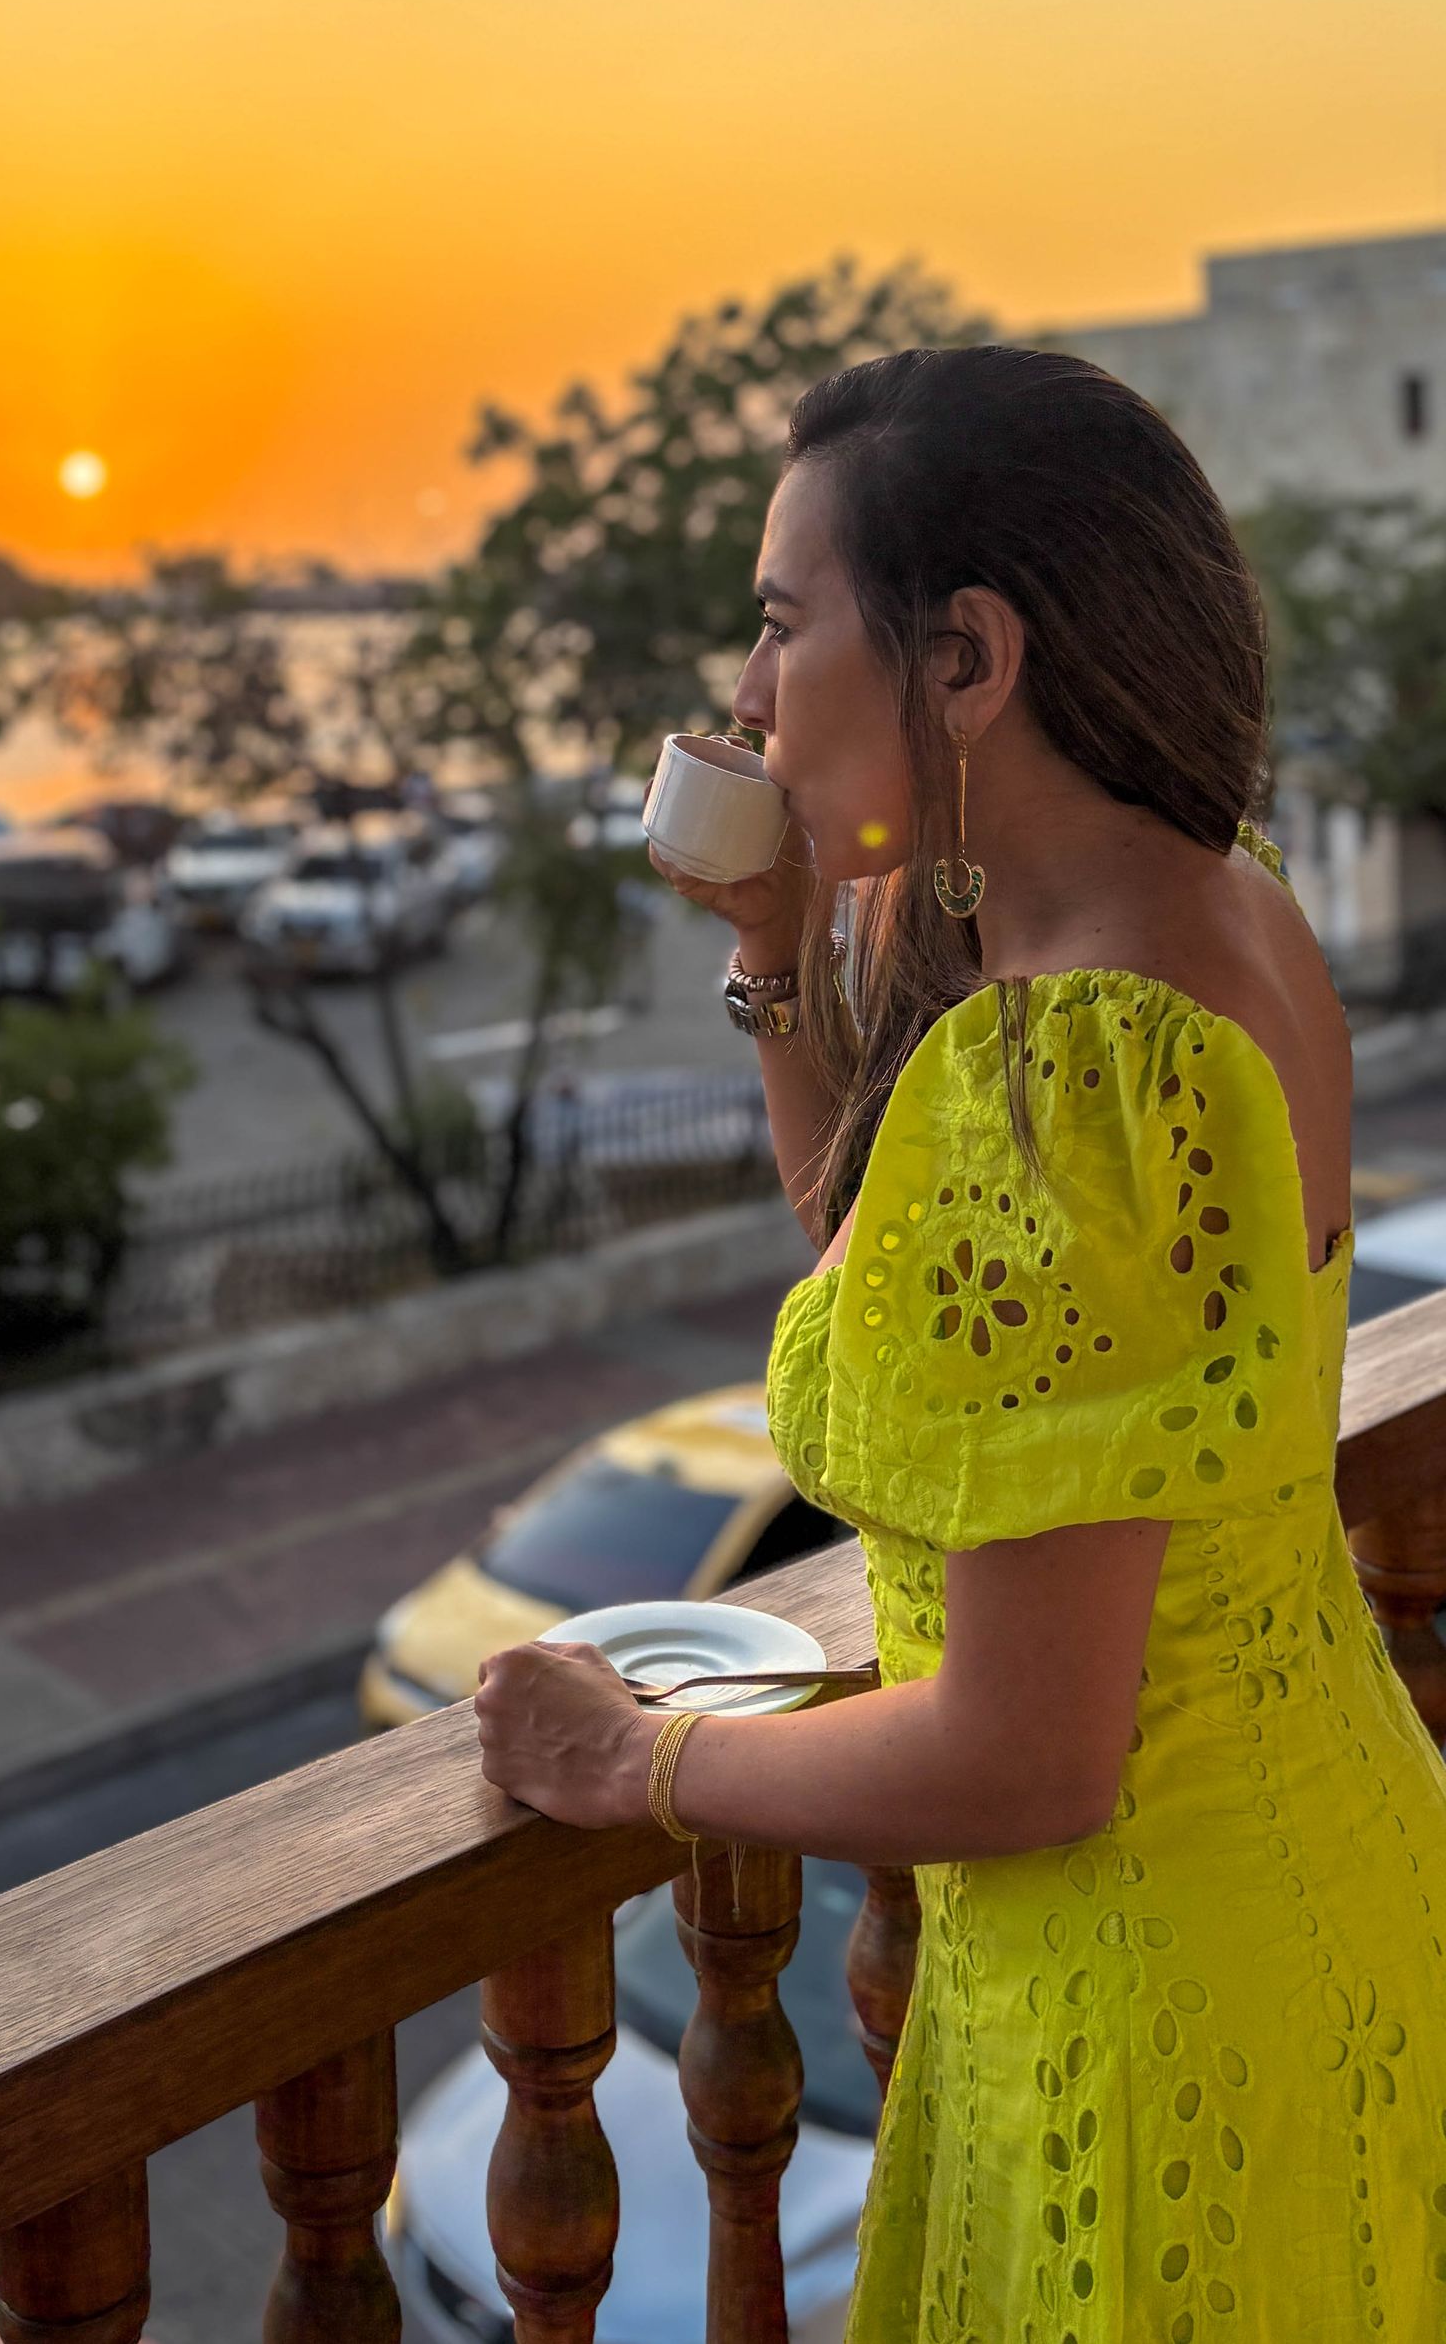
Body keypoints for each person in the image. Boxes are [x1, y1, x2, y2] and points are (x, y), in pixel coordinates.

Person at [474, 343, 1446, 2342]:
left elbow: (1028, 1757)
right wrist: (777, 950)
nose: (744, 694)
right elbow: (921, 1278)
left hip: (1151, 2001)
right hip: (1332, 1881)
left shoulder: (1072, 1068)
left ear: (970, 657)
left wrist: (631, 1759)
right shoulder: (1220, 916)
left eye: (776, 619)